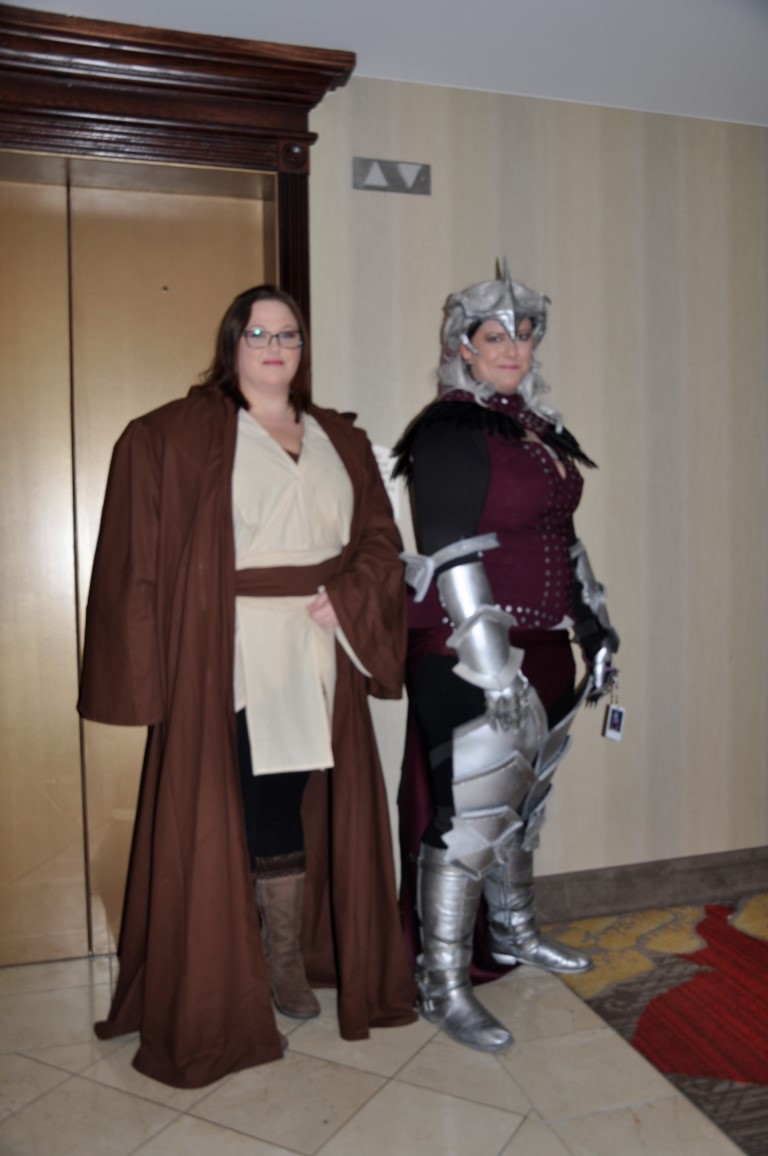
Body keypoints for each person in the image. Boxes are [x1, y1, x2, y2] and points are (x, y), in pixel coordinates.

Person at [78, 284, 416, 1088]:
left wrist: (351, 595)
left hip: (319, 645)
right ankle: (227, 973)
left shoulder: (338, 437)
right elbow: (142, 545)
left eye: (287, 334)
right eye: (258, 333)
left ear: (303, 348)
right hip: (227, 649)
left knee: (281, 803)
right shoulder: (184, 433)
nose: (274, 347)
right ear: (232, 343)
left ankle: (283, 959)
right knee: (227, 807)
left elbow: (379, 537)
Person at [393, 264, 619, 1052]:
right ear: (464, 346)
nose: (513, 349)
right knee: (470, 823)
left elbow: (563, 540)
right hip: (469, 654)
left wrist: (596, 632)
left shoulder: (537, 432)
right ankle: (443, 984)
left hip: (546, 649)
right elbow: (449, 549)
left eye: (524, 335)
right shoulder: (449, 430)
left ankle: (514, 933)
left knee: (522, 812)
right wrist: (493, 671)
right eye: (495, 337)